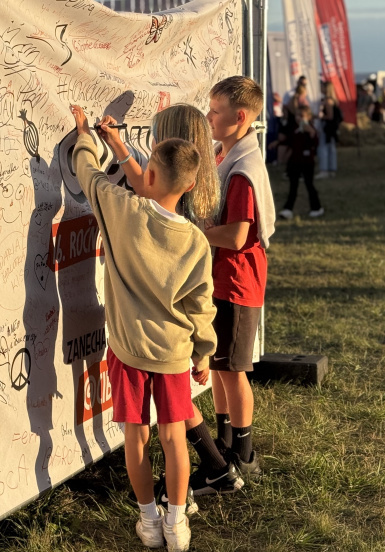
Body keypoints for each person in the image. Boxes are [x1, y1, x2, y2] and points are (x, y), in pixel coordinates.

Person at [70, 105, 217, 551]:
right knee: (175, 438)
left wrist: (84, 137)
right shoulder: (195, 241)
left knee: (136, 437)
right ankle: (177, 523)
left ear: (146, 174)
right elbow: (201, 306)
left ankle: (148, 519)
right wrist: (204, 353)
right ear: (191, 185)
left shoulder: (121, 209)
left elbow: (87, 173)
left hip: (128, 353)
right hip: (174, 355)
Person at [97, 105, 242, 508]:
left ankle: (206, 476)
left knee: (163, 423)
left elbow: (144, 193)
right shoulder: (198, 181)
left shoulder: (171, 209)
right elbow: (147, 186)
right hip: (179, 332)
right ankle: (213, 471)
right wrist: (121, 148)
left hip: (156, 328)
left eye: (157, 136)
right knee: (175, 417)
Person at [201, 76, 275, 493]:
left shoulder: (243, 169)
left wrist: (195, 231)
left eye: (215, 111)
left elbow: (236, 236)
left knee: (233, 371)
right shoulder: (224, 155)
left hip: (237, 284)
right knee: (219, 368)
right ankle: (227, 442)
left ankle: (244, 456)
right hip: (222, 279)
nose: (209, 117)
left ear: (240, 117)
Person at [279, 104, 323, 219]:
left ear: (308, 117)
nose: (298, 118)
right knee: (293, 186)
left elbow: (315, 144)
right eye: (297, 115)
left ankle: (316, 207)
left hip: (307, 163)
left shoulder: (311, 129)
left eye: (301, 116)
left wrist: (311, 133)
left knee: (309, 185)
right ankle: (288, 209)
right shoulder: (294, 129)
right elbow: (290, 141)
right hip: (295, 161)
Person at [317, 85, 342, 179]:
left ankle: (324, 169)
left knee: (323, 148)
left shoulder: (328, 101)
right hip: (332, 129)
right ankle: (331, 169)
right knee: (331, 148)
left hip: (327, 127)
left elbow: (330, 116)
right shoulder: (333, 100)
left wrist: (320, 116)